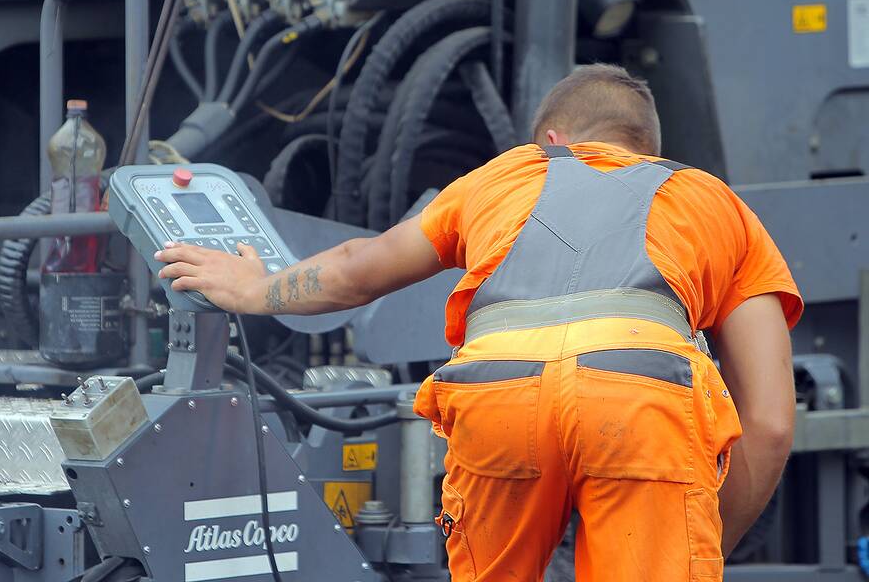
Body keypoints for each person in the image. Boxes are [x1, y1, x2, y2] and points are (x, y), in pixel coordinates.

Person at [154, 63, 801, 582]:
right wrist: (701, 535)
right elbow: (769, 422)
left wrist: (256, 287)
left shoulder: (503, 177)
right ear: (648, 152)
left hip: (499, 396)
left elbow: (359, 268)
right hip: (641, 404)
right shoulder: (711, 201)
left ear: (550, 142)